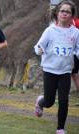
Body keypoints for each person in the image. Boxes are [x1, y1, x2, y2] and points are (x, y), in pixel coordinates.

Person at [34, 1, 79, 134]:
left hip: (65, 71)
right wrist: (40, 50)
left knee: (64, 100)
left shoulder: (76, 33)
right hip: (50, 70)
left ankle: (60, 128)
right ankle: (41, 102)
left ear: (72, 16)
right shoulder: (50, 31)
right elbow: (38, 47)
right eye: (62, 11)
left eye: (68, 12)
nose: (64, 13)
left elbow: (77, 49)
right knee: (49, 101)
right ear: (57, 13)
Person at [72, 17, 79, 91]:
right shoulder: (76, 21)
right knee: (75, 74)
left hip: (74, 53)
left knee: (74, 75)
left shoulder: (73, 22)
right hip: (75, 53)